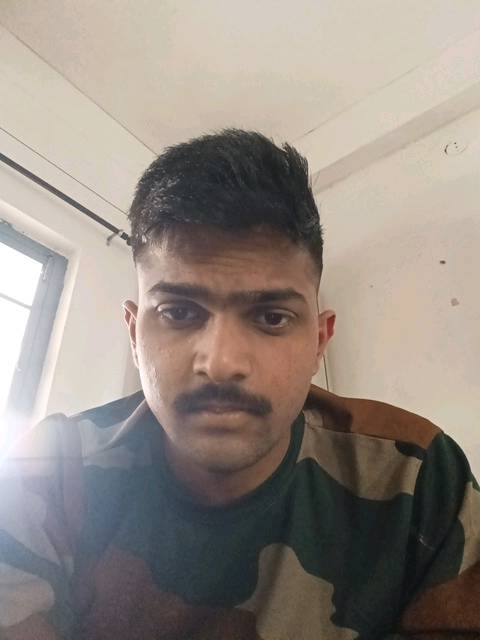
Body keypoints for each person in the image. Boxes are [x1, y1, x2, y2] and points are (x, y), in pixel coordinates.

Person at [0, 129, 479, 640]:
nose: (221, 363)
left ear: (319, 341)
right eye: (179, 312)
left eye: (272, 317)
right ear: (135, 336)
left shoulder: (415, 474)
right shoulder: (50, 471)